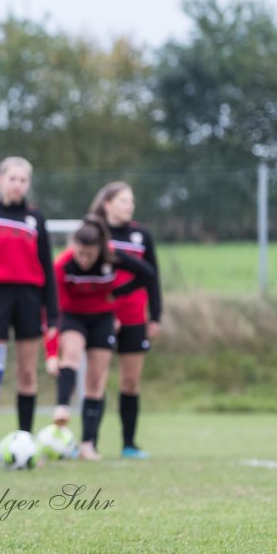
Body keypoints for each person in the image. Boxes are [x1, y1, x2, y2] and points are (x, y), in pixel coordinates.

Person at [0, 156, 58, 466]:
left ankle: (25, 442)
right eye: (12, 178)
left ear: (28, 184)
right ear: (0, 180)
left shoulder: (36, 218)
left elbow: (47, 267)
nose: (17, 184)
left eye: (23, 180)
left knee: (27, 373)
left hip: (30, 299)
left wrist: (53, 313)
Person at [50, 215, 159, 460]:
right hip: (73, 317)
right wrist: (50, 352)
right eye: (81, 254)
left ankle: (88, 444)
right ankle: (62, 406)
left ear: (100, 249)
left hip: (102, 319)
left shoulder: (112, 257)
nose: (85, 260)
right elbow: (52, 310)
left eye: (90, 255)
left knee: (96, 381)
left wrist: (120, 292)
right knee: (72, 354)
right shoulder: (63, 265)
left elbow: (148, 273)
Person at [90, 181, 163, 459]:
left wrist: (155, 315)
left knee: (130, 382)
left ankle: (129, 444)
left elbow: (151, 275)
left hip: (134, 314)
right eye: (123, 200)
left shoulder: (141, 234)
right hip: (101, 313)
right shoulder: (97, 232)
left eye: (131, 201)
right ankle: (90, 442)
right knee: (97, 379)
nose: (129, 206)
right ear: (107, 204)